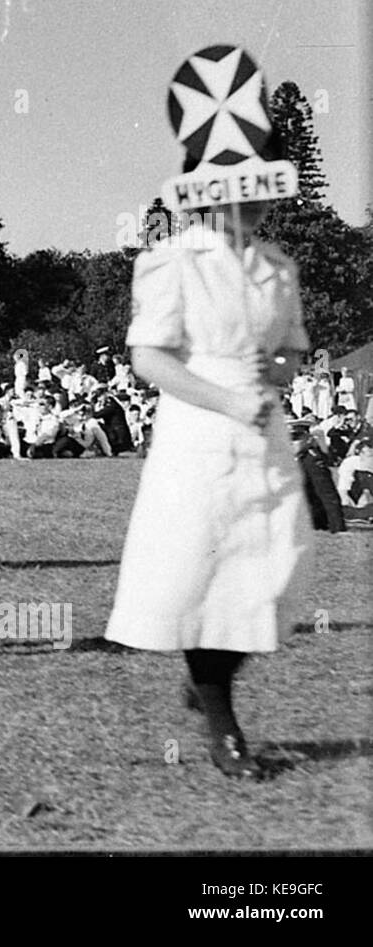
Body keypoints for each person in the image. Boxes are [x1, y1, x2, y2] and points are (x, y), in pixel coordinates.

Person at [105, 199, 313, 779]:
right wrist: (227, 400)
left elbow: (291, 347)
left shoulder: (277, 264)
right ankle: (223, 722)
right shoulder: (173, 260)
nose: (249, 205)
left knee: (276, 566)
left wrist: (277, 368)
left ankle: (208, 683)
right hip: (199, 426)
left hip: (262, 427)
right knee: (208, 574)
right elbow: (149, 357)